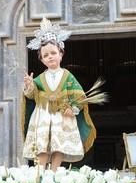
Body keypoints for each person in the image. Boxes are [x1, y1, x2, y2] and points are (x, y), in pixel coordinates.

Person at [22, 17, 96, 170]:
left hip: (62, 116)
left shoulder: (67, 75)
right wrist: (29, 85)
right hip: (43, 114)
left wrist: (74, 108)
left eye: (53, 53)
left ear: (61, 54)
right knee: (42, 145)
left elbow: (79, 95)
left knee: (59, 145)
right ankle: (41, 170)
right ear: (42, 60)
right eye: (46, 55)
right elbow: (31, 96)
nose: (50, 57)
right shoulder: (40, 78)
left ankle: (54, 171)